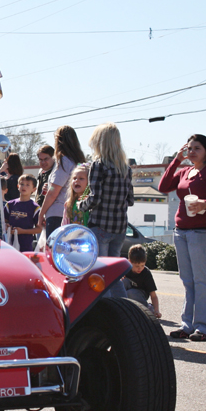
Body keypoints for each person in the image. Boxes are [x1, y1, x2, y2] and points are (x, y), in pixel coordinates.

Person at [158, 134, 206, 342]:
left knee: (202, 280)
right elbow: (163, 187)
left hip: (202, 231)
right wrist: (176, 161)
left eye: (197, 148)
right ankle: (187, 325)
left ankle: (205, 328)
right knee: (187, 280)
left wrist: (205, 204)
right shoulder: (185, 171)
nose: (192, 152)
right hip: (181, 230)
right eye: (190, 148)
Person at [76, 123, 134, 298]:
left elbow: (95, 198)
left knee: (100, 273)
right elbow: (130, 200)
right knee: (113, 274)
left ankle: (105, 309)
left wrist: (81, 205)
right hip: (120, 227)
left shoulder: (99, 165)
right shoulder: (126, 168)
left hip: (101, 225)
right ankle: (123, 307)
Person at [38, 126, 87, 237]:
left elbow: (53, 192)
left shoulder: (64, 161)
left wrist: (41, 214)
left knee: (55, 246)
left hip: (58, 214)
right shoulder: (79, 160)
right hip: (75, 212)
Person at [3, 174, 41, 252]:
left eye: (28, 185)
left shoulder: (35, 207)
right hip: (9, 244)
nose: (24, 187)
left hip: (26, 246)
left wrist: (23, 231)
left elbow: (39, 229)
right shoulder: (9, 204)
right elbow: (4, 221)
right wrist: (6, 225)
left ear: (34, 189)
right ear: (18, 186)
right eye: (22, 184)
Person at [123, 245, 161, 317]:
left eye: (142, 265)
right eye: (137, 266)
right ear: (129, 262)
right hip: (129, 293)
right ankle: (124, 308)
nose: (140, 268)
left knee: (130, 293)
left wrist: (156, 310)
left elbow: (153, 295)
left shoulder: (146, 273)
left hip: (140, 294)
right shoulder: (125, 269)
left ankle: (147, 308)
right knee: (122, 282)